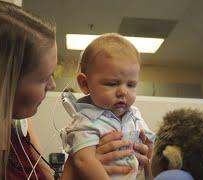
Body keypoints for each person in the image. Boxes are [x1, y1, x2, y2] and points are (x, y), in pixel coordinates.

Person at [0, 1, 151, 180]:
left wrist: (138, 161)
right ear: (2, 84)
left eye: (131, 84)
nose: (52, 85)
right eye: (43, 78)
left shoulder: (20, 130)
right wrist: (80, 164)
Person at [60, 33, 155, 180]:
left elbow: (150, 150)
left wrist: (148, 159)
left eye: (131, 85)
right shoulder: (86, 121)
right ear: (85, 84)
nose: (123, 91)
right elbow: (83, 161)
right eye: (112, 83)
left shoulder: (135, 115)